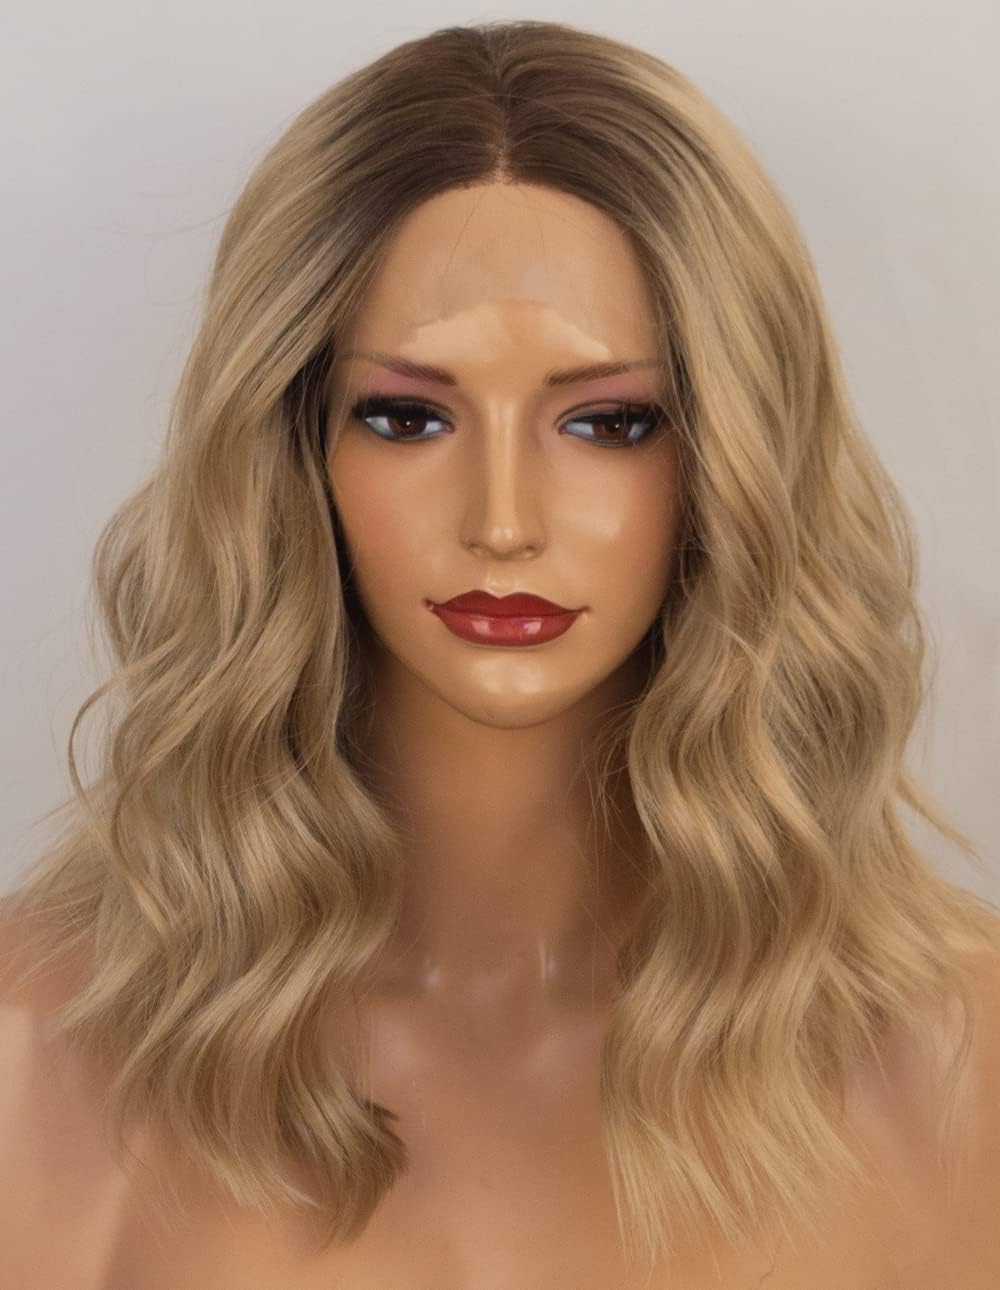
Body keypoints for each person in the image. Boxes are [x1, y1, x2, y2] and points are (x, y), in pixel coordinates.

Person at [2, 18, 999, 1289]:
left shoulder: (958, 1053)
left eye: (609, 422)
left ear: (736, 457)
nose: (504, 521)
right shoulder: (36, 1043)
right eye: (406, 416)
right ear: (293, 444)